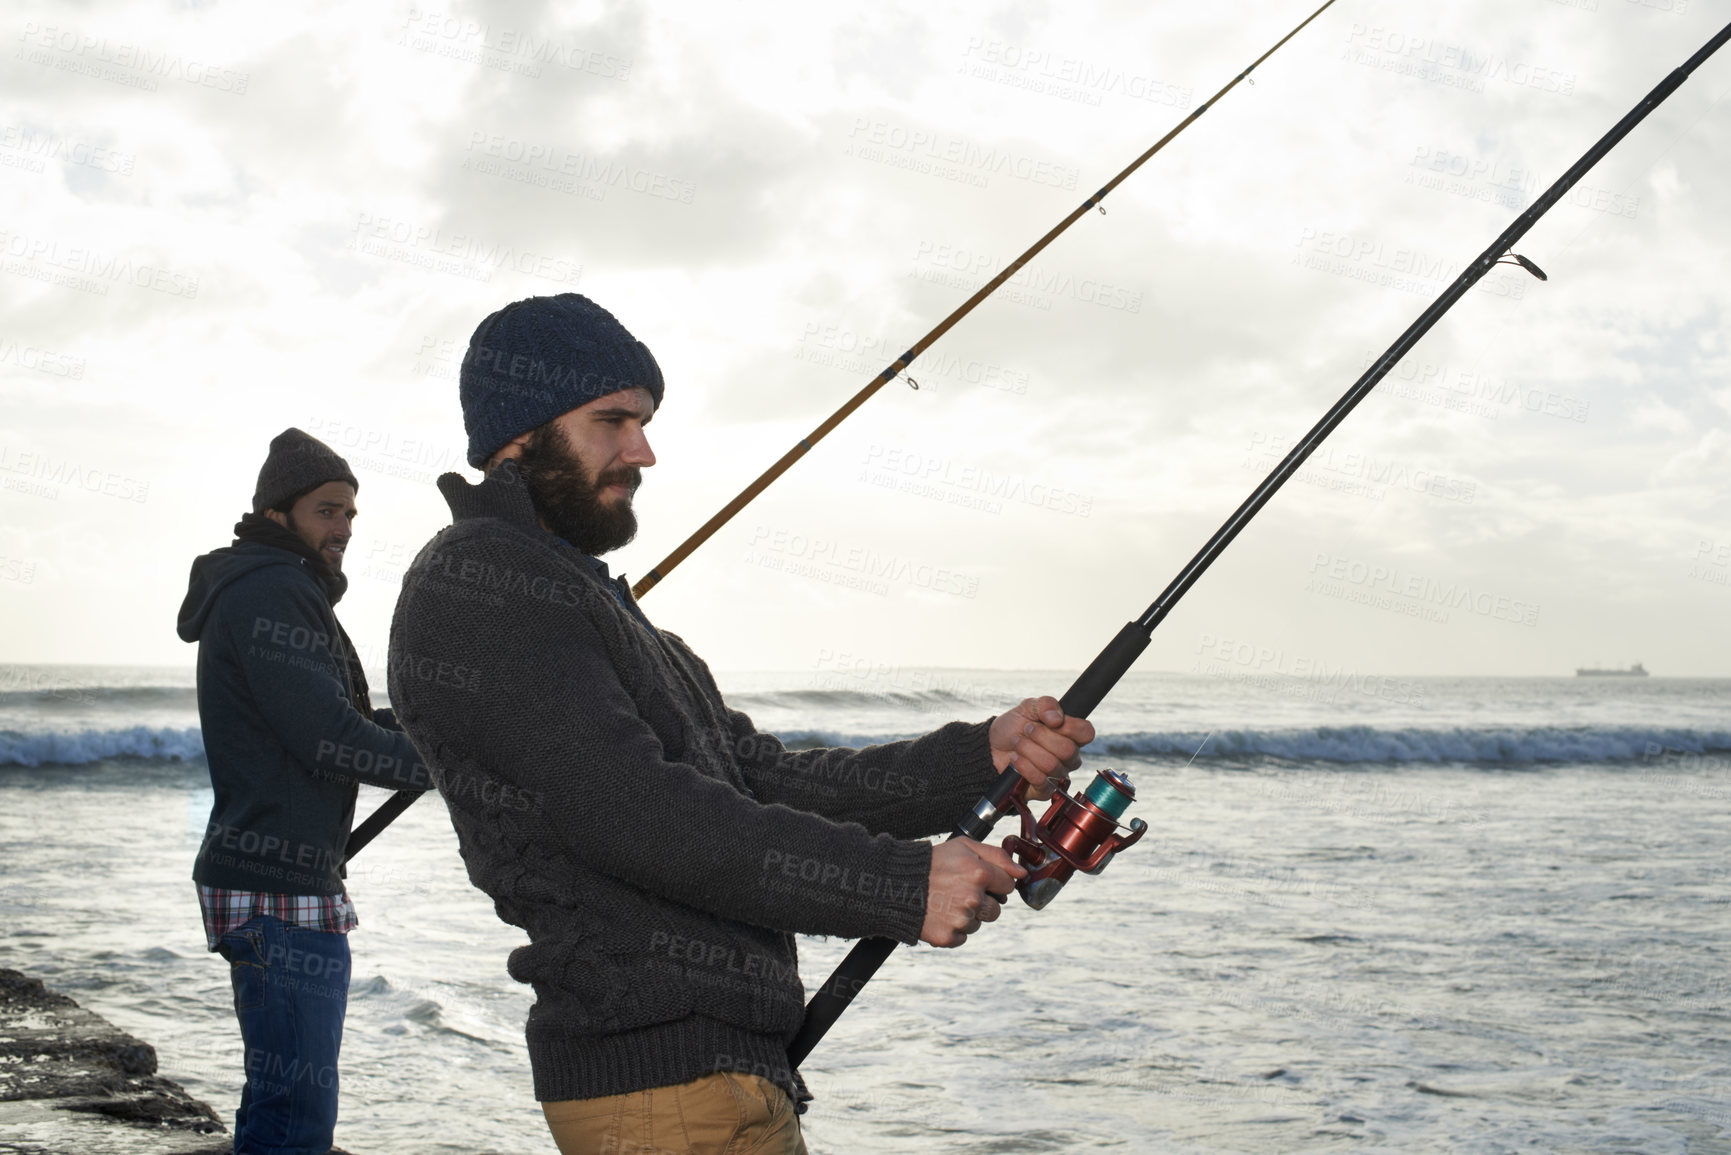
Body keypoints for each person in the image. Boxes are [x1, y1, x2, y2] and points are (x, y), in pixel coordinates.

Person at [386, 294, 1094, 1155]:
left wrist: (977, 756)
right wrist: (900, 885)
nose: (641, 450)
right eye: (611, 421)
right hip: (661, 1096)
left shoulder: (586, 599)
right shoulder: (482, 581)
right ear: (515, 436)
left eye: (643, 422)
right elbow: (637, 813)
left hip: (710, 1083)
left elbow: (757, 779)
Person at [177, 429, 431, 1155]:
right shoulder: (272, 590)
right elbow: (329, 736)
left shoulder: (274, 584)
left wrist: (445, 735)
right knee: (295, 1121)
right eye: (328, 510)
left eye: (351, 512)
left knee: (281, 1098)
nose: (345, 528)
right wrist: (452, 766)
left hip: (282, 882)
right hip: (277, 892)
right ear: (278, 511)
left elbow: (338, 720)